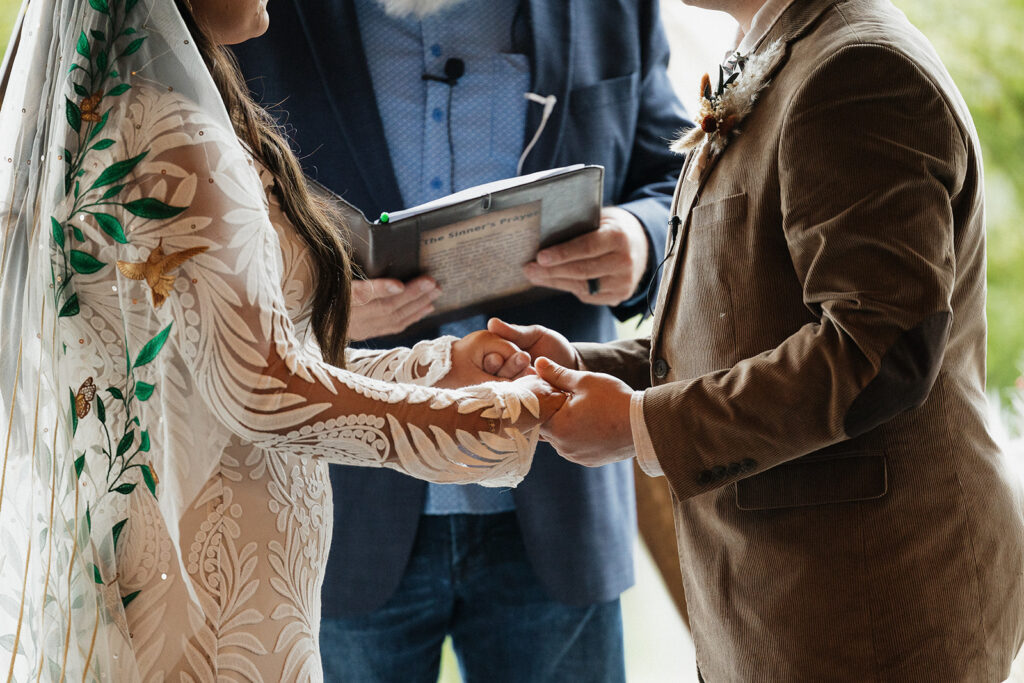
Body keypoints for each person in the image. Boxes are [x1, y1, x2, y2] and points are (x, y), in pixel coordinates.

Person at [0, 0, 565, 679]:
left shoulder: (110, 111)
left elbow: (215, 362)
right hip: (212, 604)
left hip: (162, 570)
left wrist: (434, 366)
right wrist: (486, 416)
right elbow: (261, 388)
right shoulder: (171, 132)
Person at [491, 0, 1024, 679]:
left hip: (874, 606)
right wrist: (579, 366)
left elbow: (876, 351)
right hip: (794, 601)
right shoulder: (779, 51)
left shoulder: (859, 71)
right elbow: (746, 323)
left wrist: (636, 424)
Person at [231, 1, 691, 680]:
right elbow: (204, 253)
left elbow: (677, 174)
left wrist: (643, 239)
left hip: (558, 494)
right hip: (344, 511)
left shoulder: (614, 8)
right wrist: (315, 306)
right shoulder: (254, 18)